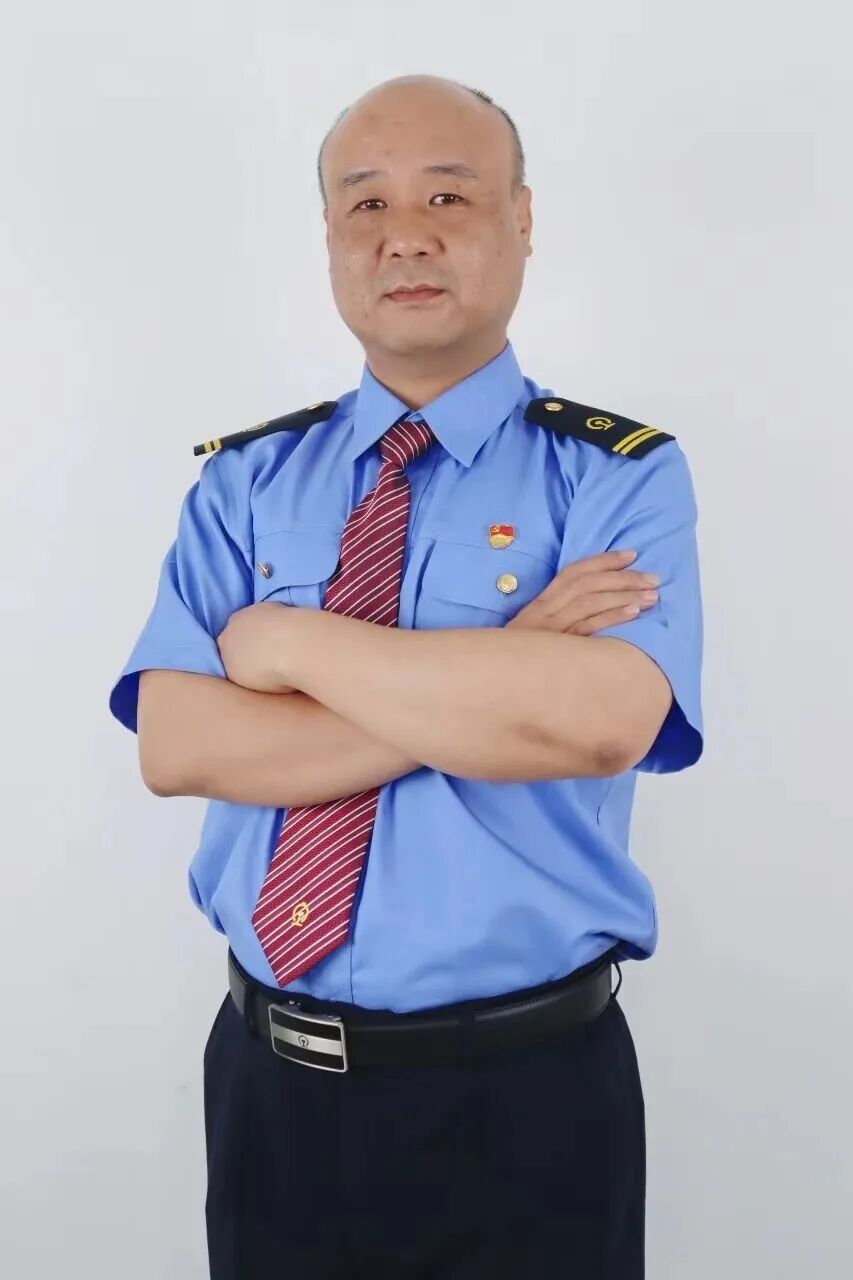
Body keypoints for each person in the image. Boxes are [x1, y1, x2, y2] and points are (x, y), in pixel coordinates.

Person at [109, 74, 703, 1279]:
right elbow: (178, 745)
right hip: (272, 1089)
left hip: (528, 1096)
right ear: (330, 235)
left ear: (520, 219)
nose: (405, 235)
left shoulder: (615, 475)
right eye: (365, 203)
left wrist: (286, 648)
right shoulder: (245, 482)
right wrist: (509, 661)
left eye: (448, 195)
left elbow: (599, 721)